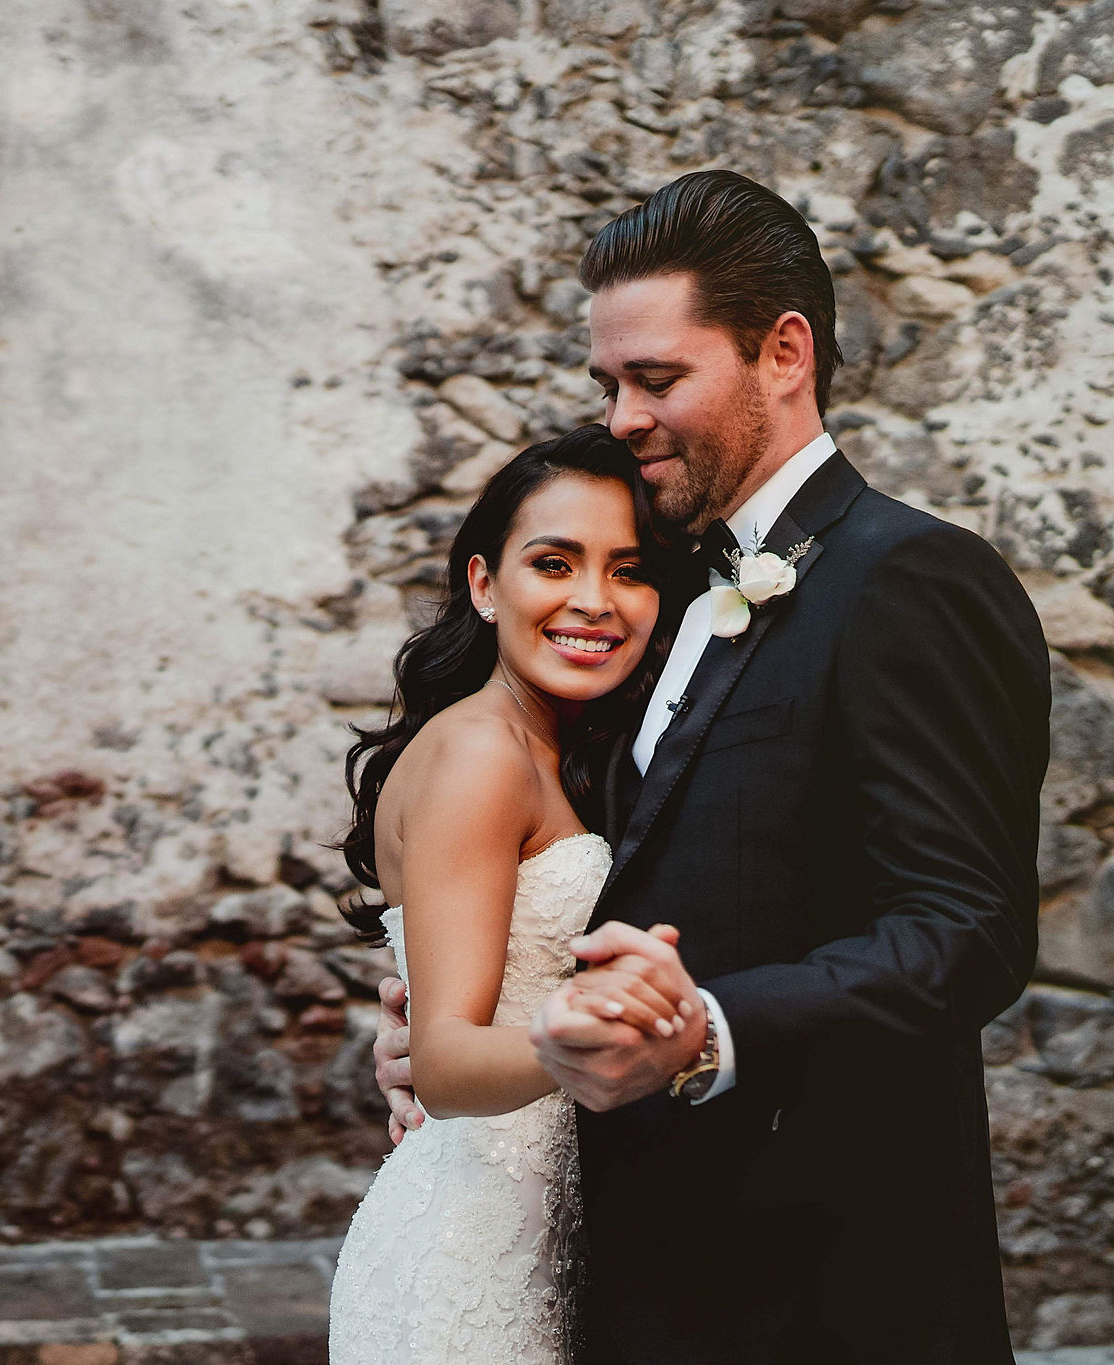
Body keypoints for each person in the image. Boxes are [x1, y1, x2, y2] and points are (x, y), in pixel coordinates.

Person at [368, 169, 1052, 1364]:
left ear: (781, 353)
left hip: (822, 1282)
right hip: (642, 1265)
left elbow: (966, 932)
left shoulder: (907, 579)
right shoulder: (666, 587)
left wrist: (708, 1031)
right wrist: (465, 1029)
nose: (624, 415)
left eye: (657, 379)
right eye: (608, 384)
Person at [327, 425, 691, 1363]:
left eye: (629, 568)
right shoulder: (483, 754)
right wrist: (606, 1037)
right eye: (555, 562)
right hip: (467, 1274)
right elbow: (443, 1067)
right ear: (487, 585)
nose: (593, 601)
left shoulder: (560, 755)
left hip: (547, 1250)